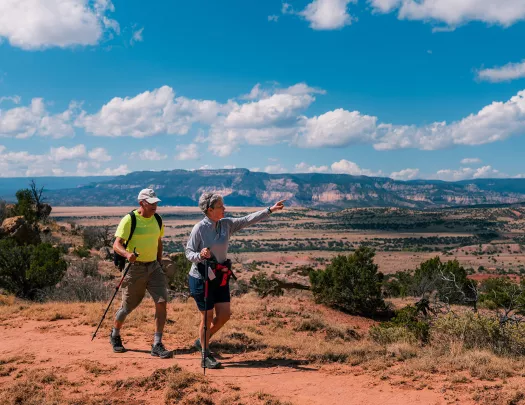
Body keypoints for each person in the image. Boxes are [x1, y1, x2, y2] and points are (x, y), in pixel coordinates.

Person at [185, 193, 285, 369]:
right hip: (201, 278)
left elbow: (247, 219)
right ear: (210, 210)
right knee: (207, 317)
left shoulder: (226, 224)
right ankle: (205, 355)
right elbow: (189, 253)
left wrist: (270, 210)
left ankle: (202, 341)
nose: (224, 209)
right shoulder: (199, 228)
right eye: (221, 206)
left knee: (224, 315)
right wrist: (200, 255)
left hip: (219, 276)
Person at [110, 188, 172, 359]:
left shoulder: (158, 220)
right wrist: (127, 254)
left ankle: (157, 344)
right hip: (134, 269)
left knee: (161, 301)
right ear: (141, 203)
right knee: (128, 307)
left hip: (153, 267)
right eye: (151, 203)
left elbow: (158, 241)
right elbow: (116, 244)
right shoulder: (129, 220)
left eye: (156, 203)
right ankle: (115, 334)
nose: (155, 206)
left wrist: (159, 262)